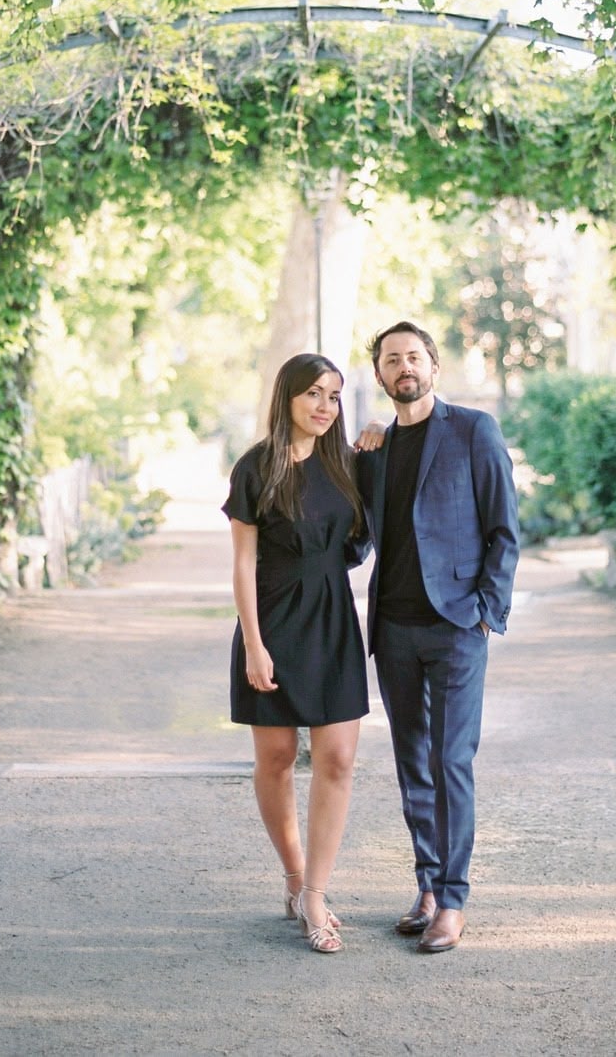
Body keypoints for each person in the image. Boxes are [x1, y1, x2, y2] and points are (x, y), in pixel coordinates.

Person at [355, 320, 520, 953]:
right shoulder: (373, 451)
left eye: (414, 357)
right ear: (379, 376)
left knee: (450, 761)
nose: (404, 367)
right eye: (392, 360)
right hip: (394, 630)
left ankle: (453, 900)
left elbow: (504, 527)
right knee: (411, 762)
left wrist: (487, 610)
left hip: (456, 627)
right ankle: (426, 885)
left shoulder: (473, 431)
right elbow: (358, 538)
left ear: (434, 367)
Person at [224, 352, 368, 954]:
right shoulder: (256, 467)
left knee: (335, 758)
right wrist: (255, 645)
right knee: (279, 758)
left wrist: (377, 437)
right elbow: (242, 563)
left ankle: (315, 892)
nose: (324, 407)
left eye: (334, 396)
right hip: (274, 621)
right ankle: (291, 873)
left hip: (333, 619)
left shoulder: (348, 465)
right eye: (313, 394)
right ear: (287, 398)